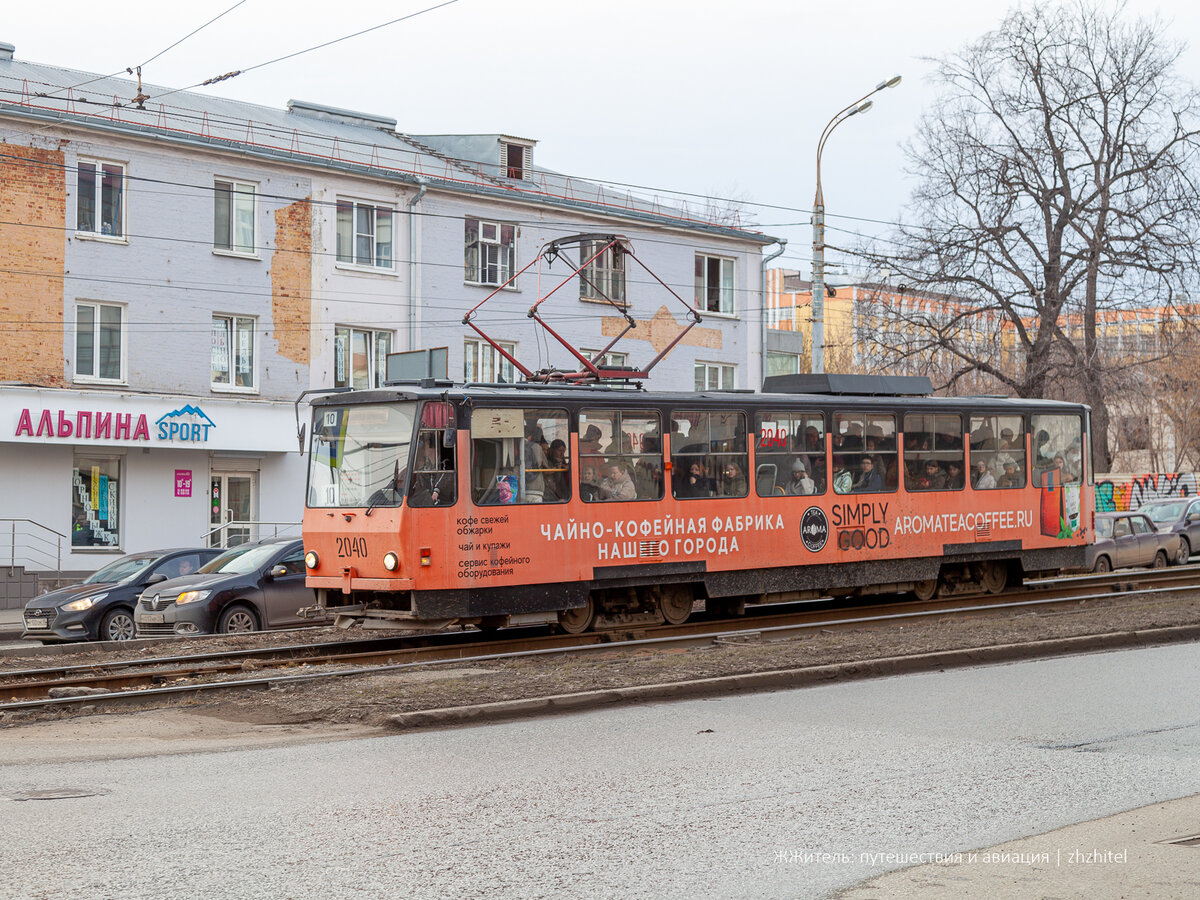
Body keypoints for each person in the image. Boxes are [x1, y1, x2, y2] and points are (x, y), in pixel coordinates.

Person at [409, 442, 455, 506]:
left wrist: (436, 490)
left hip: (444, 500)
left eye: (425, 446)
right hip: (431, 499)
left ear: (433, 448)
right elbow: (420, 485)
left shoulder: (445, 463)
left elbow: (444, 474)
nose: (423, 448)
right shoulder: (426, 467)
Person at [523, 423, 549, 502]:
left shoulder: (517, 446)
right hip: (536, 489)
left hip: (523, 488)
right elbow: (546, 466)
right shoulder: (537, 447)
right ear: (530, 436)